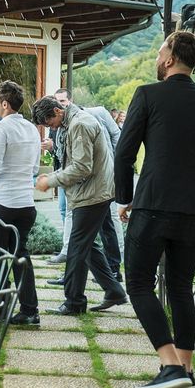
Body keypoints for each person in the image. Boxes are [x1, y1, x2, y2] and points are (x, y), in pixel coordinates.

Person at [115, 31, 195, 388]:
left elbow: (125, 153)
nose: (158, 53)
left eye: (161, 48)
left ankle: (169, 362)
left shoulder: (148, 94)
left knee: (138, 283)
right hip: (193, 211)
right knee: (181, 287)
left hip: (152, 204)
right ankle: (186, 368)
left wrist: (123, 198)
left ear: (169, 57)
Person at [32, 96, 127, 315]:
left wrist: (51, 180)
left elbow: (81, 167)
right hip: (93, 192)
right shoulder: (72, 122)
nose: (50, 128)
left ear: (58, 111)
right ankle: (114, 291)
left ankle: (74, 303)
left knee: (76, 247)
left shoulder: (80, 125)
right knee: (86, 246)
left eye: (49, 123)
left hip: (93, 195)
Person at [0, 80, 41, 325]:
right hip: (26, 204)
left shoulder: (1, 128)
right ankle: (30, 311)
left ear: (4, 104)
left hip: (2, 203)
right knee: (20, 256)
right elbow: (34, 167)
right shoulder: (32, 129)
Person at [46, 88, 124, 283]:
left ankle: (112, 271)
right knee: (82, 237)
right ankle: (109, 286)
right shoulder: (63, 124)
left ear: (67, 103)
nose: (60, 104)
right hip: (79, 184)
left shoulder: (89, 117)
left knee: (100, 229)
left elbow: (115, 137)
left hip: (97, 184)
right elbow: (65, 154)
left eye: (63, 101)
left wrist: (113, 163)